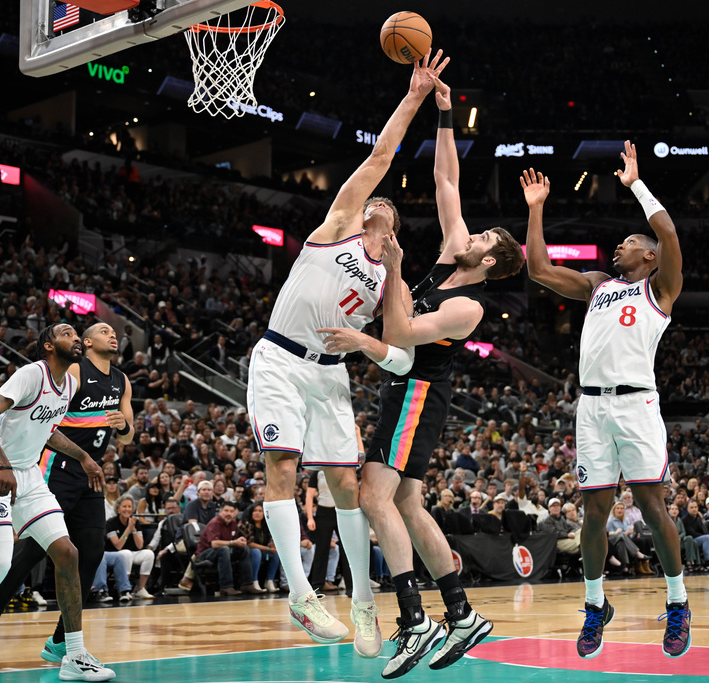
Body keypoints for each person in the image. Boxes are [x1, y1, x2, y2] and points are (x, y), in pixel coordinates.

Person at [249, 50, 449, 657]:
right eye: (373, 206)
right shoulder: (336, 226)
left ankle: (364, 602)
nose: (378, 207)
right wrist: (415, 97)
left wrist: (371, 333)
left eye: (388, 214)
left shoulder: (393, 283)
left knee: (349, 487)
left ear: (394, 235)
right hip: (281, 358)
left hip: (331, 376)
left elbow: (398, 357)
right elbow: (382, 156)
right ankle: (302, 596)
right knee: (282, 470)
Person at [322, 73, 522, 678]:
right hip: (402, 389)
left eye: (482, 236)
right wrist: (444, 113)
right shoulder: (451, 251)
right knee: (408, 502)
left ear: (486, 259)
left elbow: (402, 334)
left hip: (418, 395)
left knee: (372, 495)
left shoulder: (470, 307)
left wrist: (398, 271)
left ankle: (414, 620)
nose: (471, 231)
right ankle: (461, 615)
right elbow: (445, 178)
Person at [523, 143, 691, 659]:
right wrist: (535, 210)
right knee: (593, 511)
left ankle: (678, 601)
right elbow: (539, 270)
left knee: (650, 504)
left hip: (637, 405)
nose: (616, 249)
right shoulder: (598, 284)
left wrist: (636, 184)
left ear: (648, 256)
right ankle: (596, 606)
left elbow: (669, 233)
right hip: (592, 408)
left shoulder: (661, 287)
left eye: (627, 244)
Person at [0, 324, 115, 683]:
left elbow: (47, 430)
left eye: (77, 333)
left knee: (68, 553)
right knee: (1, 561)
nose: (76, 338)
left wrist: (84, 457)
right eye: (68, 333)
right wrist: (3, 464)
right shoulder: (31, 374)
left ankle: (74, 656)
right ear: (49, 345)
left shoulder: (67, 385)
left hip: (29, 475)